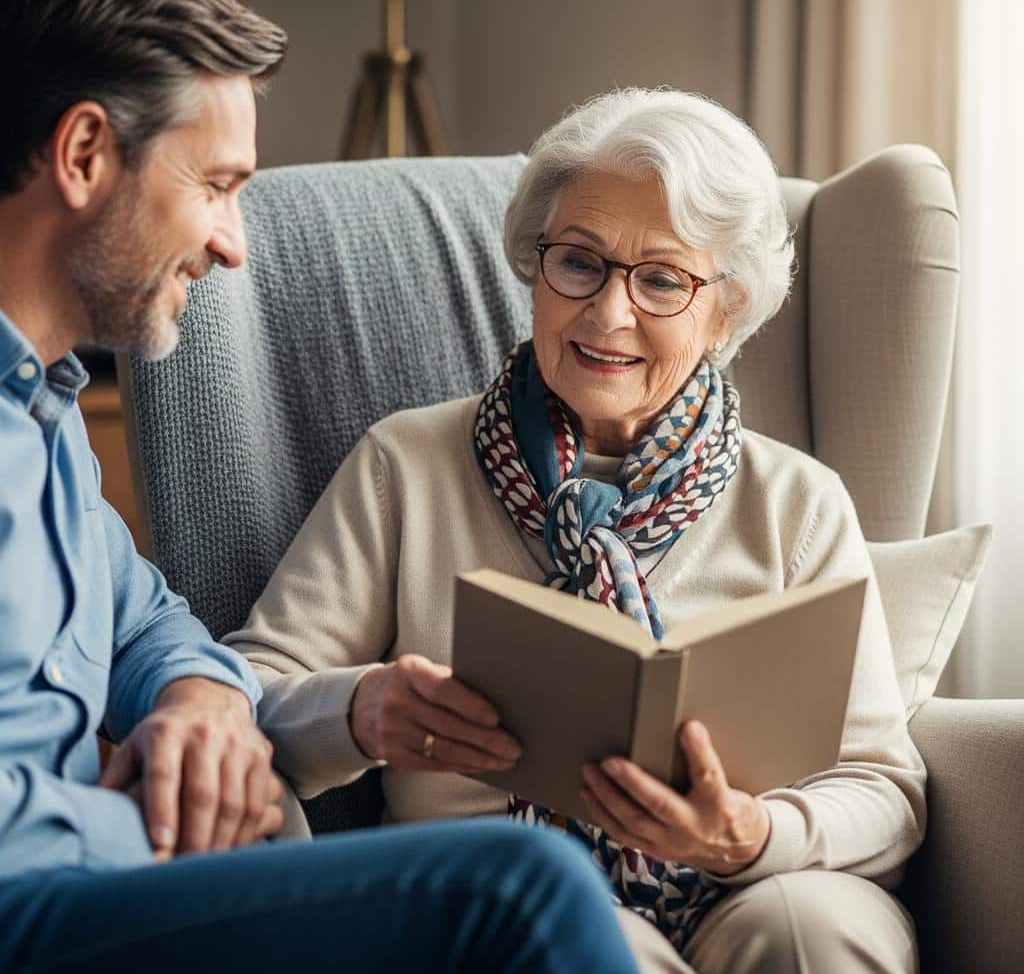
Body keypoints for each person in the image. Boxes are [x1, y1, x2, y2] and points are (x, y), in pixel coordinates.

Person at [0, 0, 642, 971]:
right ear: (83, 154)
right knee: (522, 888)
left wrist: (200, 702)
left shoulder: (47, 412)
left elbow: (146, 619)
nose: (233, 244)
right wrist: (165, 830)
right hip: (45, 897)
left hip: (92, 886)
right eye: (214, 186)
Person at [224, 88, 926, 973]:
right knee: (586, 942)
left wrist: (752, 835)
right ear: (534, 265)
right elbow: (243, 689)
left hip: (751, 880)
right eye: (580, 263)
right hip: (502, 887)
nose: (608, 313)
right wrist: (361, 710)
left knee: (808, 931)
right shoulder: (405, 464)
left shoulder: (798, 500)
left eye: (663, 278)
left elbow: (884, 786)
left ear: (727, 311)